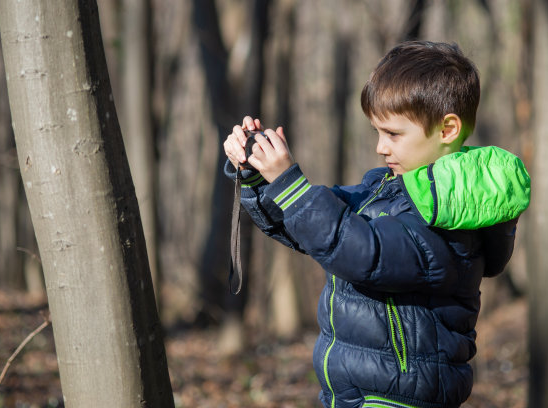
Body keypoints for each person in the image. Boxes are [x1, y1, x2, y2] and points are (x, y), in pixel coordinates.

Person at [223, 41, 531, 408]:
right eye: (377, 133)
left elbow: (359, 252)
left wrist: (290, 183)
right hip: (358, 392)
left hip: (398, 397)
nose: (380, 148)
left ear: (447, 129)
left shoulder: (451, 215)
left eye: (394, 134)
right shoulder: (384, 187)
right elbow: (314, 230)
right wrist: (260, 176)